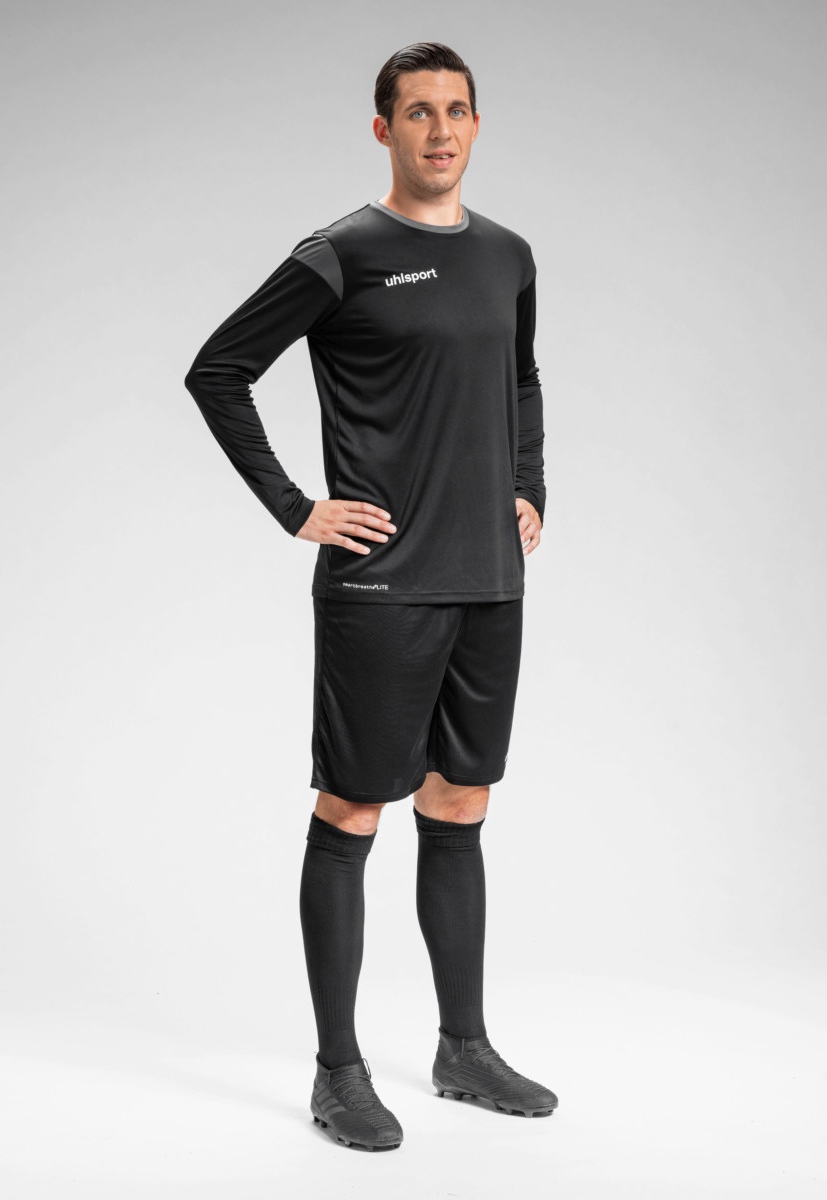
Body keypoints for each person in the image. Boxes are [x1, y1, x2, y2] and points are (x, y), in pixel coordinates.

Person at [184, 41, 556, 1152]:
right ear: (384, 128)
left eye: (457, 111)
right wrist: (296, 506)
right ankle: (337, 1073)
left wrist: (529, 485)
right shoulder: (341, 255)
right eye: (418, 112)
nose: (440, 130)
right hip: (381, 589)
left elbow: (522, 376)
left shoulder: (509, 255)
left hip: (488, 582)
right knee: (352, 813)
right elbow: (218, 370)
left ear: (477, 124)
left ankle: (463, 1049)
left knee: (462, 807)